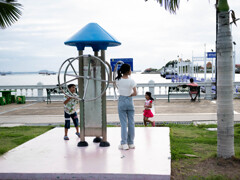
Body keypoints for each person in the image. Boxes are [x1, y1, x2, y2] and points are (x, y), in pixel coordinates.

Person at [116, 64, 137, 150]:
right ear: (128, 71)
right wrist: (129, 95)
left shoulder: (117, 80)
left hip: (121, 100)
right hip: (129, 101)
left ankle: (124, 143)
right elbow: (135, 93)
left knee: (123, 123)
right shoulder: (132, 81)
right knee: (131, 122)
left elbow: (118, 88)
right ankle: (131, 143)